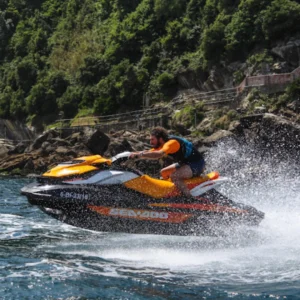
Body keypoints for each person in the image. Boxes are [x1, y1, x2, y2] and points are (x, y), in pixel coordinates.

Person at [129, 127, 205, 197]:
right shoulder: (162, 144)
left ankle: (189, 198)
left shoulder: (171, 143)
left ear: (160, 139)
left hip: (197, 164)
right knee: (164, 172)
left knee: (175, 176)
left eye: (152, 139)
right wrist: (131, 154)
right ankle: (171, 192)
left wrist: (140, 155)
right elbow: (148, 152)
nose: (150, 142)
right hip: (185, 163)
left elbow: (158, 155)